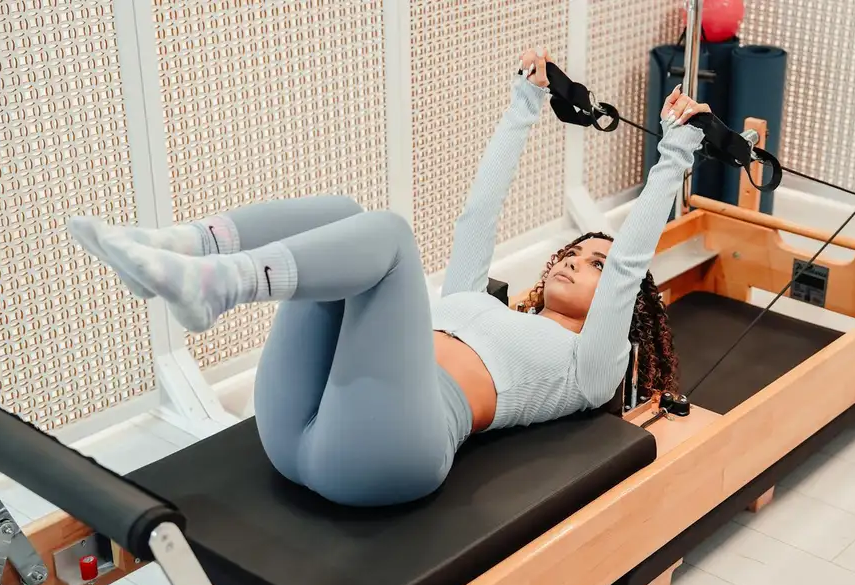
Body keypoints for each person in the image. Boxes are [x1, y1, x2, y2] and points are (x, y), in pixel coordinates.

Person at [68, 46, 708, 508]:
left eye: (596, 265)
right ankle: (186, 245)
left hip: (393, 452)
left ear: (624, 308)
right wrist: (524, 104)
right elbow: (477, 216)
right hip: (296, 426)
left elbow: (630, 263)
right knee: (345, 216)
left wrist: (675, 153)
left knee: (391, 237)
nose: (575, 260)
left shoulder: (588, 366)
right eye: (575, 251)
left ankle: (218, 285)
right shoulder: (474, 302)